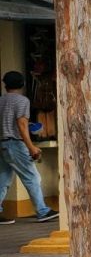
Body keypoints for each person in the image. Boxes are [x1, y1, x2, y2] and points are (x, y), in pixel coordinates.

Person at [0, 71, 58, 224]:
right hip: (15, 144)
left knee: (3, 179)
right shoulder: (22, 101)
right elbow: (21, 124)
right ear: (22, 84)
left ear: (5, 85)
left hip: (2, 144)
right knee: (32, 177)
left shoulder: (1, 100)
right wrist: (31, 146)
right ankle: (42, 211)